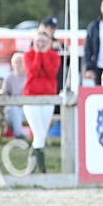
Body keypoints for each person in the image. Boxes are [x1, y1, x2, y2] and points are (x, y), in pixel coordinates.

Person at [23, 30, 61, 174]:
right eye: (38, 41)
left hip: (48, 97)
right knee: (38, 134)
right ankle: (42, 169)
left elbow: (51, 72)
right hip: (31, 97)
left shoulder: (54, 56)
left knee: (41, 135)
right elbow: (33, 71)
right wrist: (39, 54)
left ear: (49, 42)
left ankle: (30, 169)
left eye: (44, 41)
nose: (40, 44)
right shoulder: (28, 55)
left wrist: (44, 54)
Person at [2, 52, 27, 141]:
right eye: (15, 62)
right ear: (12, 64)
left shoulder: (28, 76)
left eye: (20, 62)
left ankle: (18, 135)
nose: (18, 64)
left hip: (26, 106)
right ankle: (19, 135)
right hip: (12, 107)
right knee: (14, 110)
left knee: (18, 111)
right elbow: (4, 94)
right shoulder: (9, 77)